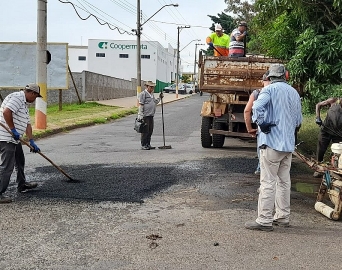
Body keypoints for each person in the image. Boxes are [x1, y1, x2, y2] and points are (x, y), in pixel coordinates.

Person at [244, 64, 302, 231]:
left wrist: (262, 123)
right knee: (284, 182)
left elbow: (256, 107)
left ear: (269, 77)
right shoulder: (294, 93)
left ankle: (264, 220)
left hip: (271, 143)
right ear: (286, 76)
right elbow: (298, 120)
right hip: (288, 146)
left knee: (268, 181)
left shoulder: (268, 90)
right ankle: (283, 217)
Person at [0, 83, 42, 203]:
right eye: (35, 97)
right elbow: (6, 112)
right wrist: (13, 129)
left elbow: (28, 124)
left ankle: (22, 184)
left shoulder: (24, 104)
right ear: (32, 93)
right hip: (5, 137)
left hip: (15, 139)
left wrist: (31, 140)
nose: (34, 100)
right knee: (7, 167)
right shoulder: (17, 98)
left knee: (20, 160)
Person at [244, 71, 270, 175]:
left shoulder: (257, 93)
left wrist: (250, 129)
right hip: (279, 129)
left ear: (263, 81)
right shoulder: (281, 92)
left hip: (263, 128)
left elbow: (247, 111)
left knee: (262, 149)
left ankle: (260, 168)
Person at [314, 97, 342, 176]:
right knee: (321, 150)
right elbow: (318, 105)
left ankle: (336, 169)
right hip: (326, 130)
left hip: (338, 134)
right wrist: (317, 117)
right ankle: (318, 169)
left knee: (338, 151)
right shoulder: (333, 100)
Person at [138, 81, 163, 150]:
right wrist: (140, 114)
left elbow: (155, 102)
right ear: (147, 87)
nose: (152, 89)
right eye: (150, 87)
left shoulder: (152, 94)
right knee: (145, 131)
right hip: (145, 115)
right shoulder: (143, 94)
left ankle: (148, 144)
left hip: (151, 115)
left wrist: (160, 98)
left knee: (150, 130)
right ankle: (143, 145)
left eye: (153, 87)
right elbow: (141, 105)